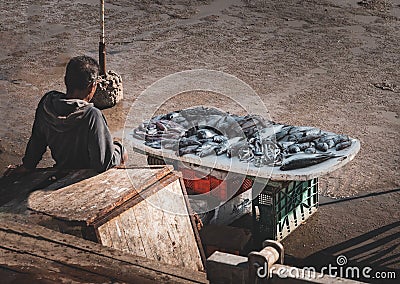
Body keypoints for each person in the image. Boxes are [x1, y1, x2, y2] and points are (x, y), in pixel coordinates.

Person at [4, 55, 126, 176]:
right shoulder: (92, 115)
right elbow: (102, 164)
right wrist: (119, 149)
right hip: (84, 176)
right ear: (91, 87)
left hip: (62, 168)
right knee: (120, 152)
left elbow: (37, 140)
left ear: (65, 81)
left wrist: (27, 166)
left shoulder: (47, 103)